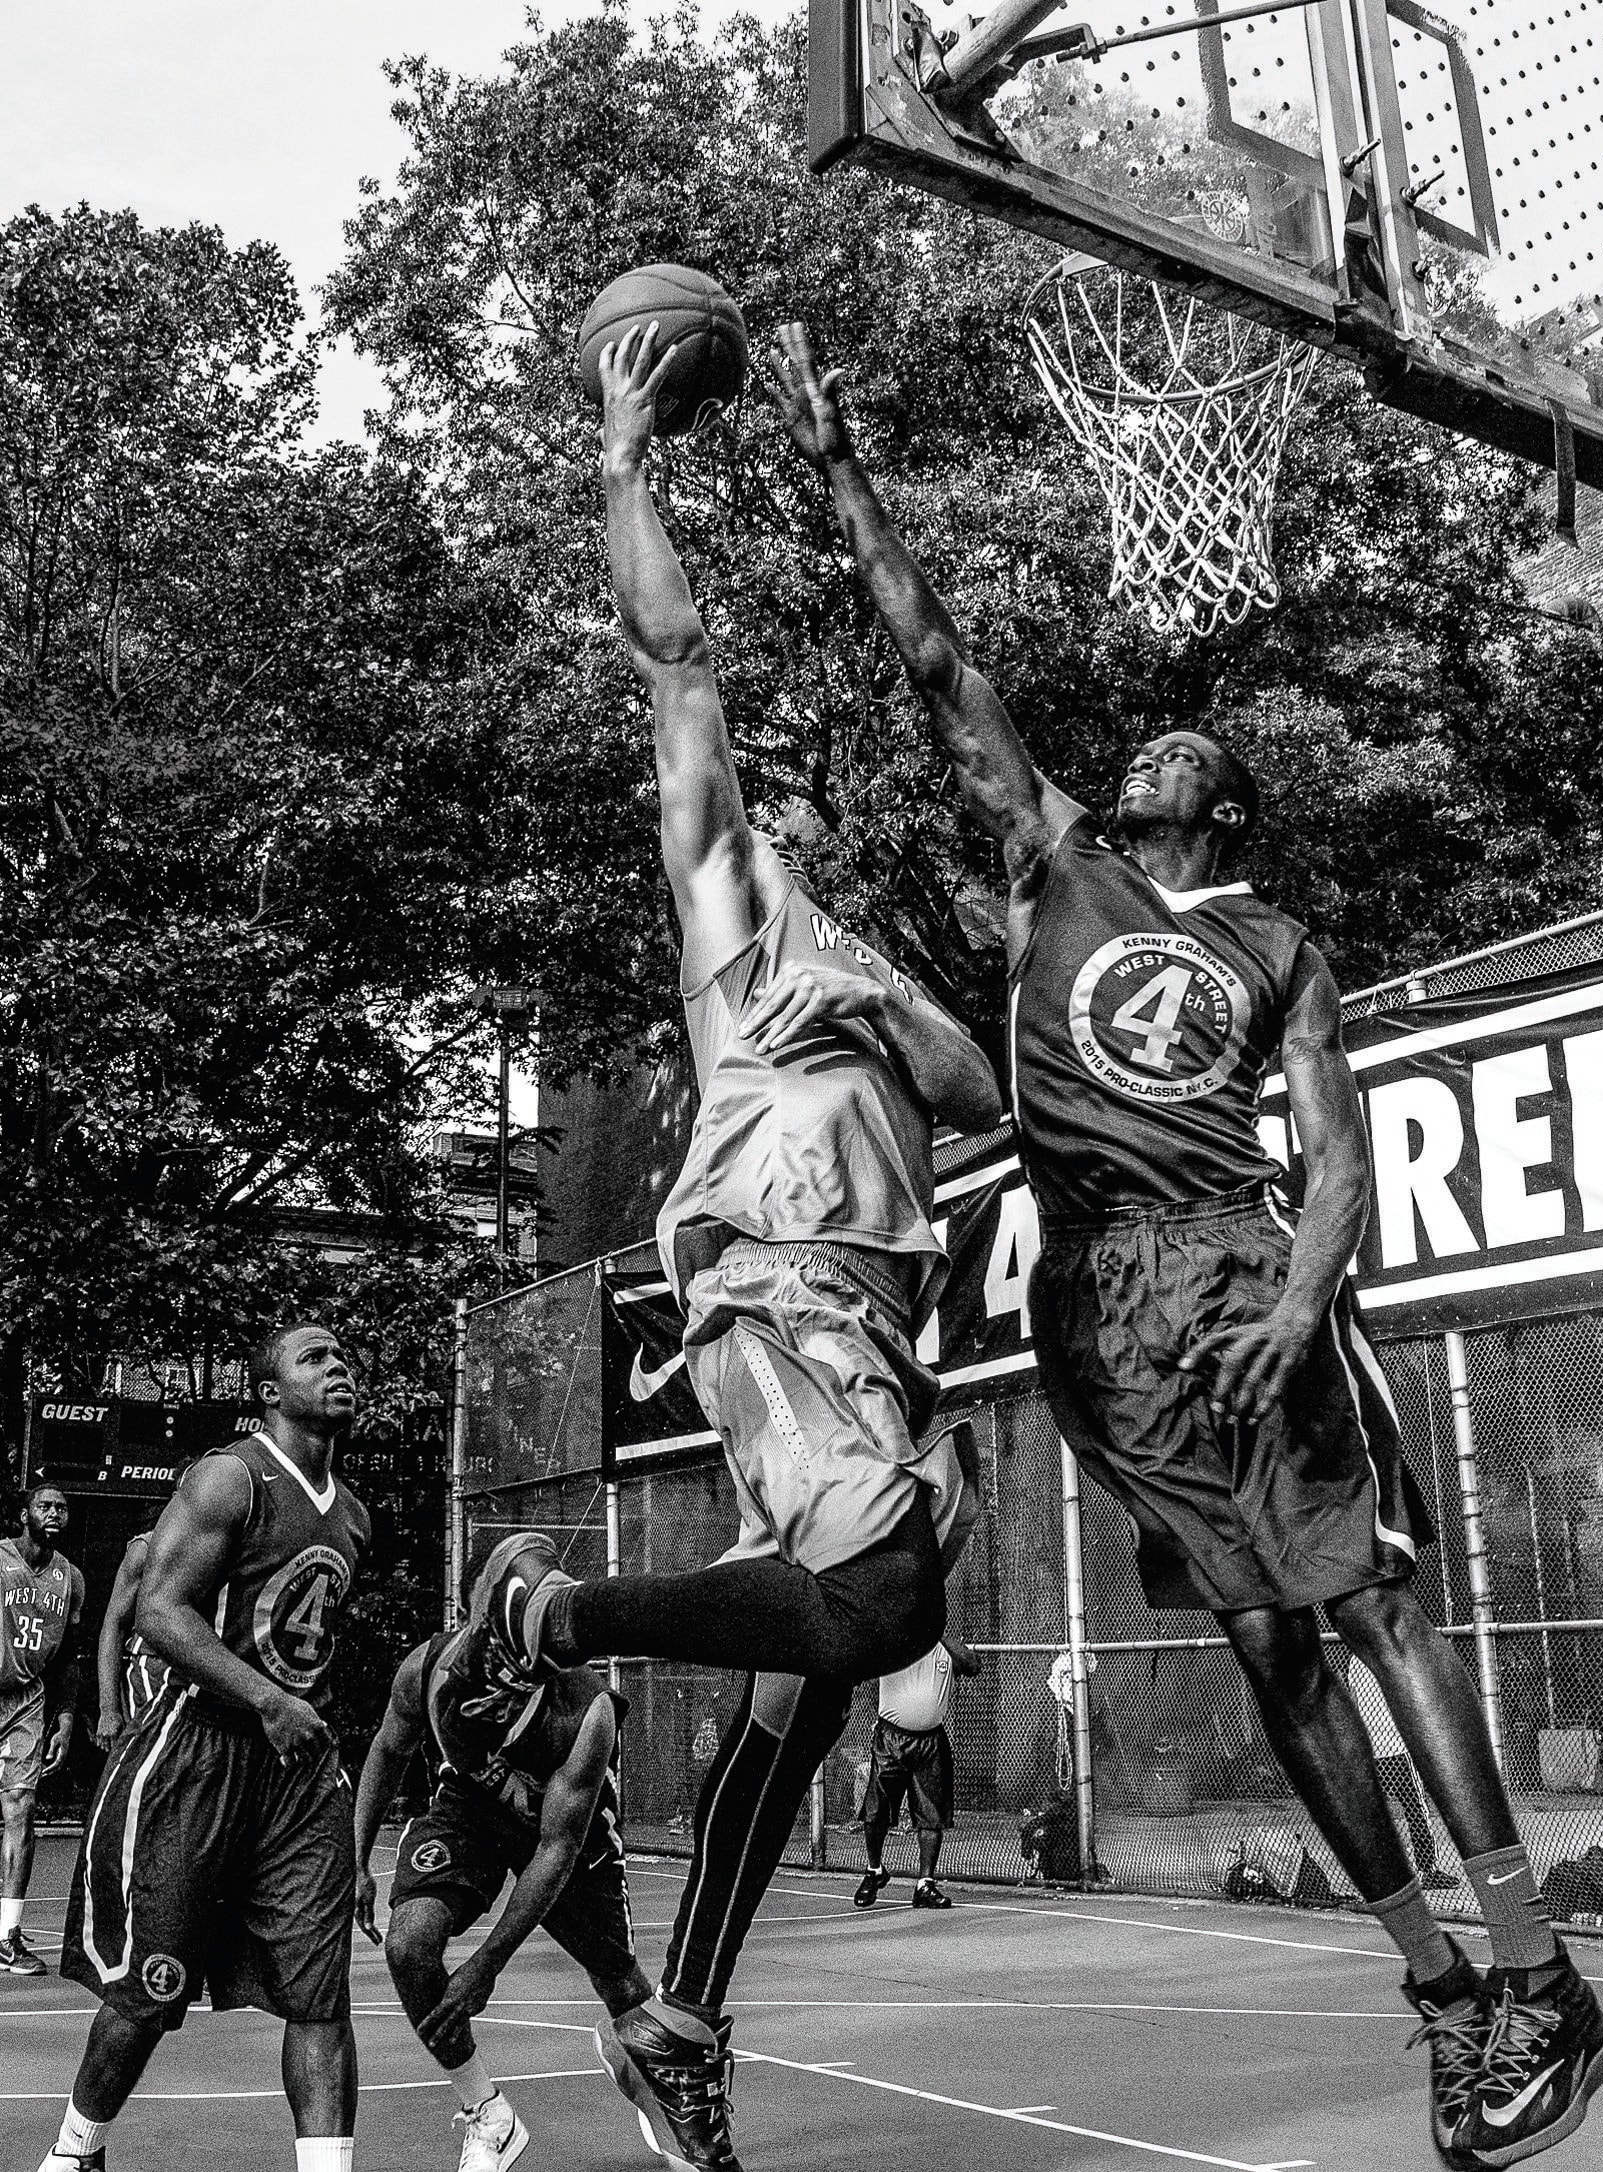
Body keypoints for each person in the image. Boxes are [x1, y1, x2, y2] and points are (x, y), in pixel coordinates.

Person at [766, 321, 1603, 2170]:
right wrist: (839, 467)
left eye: (1186, 747)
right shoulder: (1045, 862)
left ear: (1220, 808)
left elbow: (1335, 1153)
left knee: (1369, 1605)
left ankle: (1542, 1967)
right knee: (1262, 1639)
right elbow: (935, 660)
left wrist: (1307, 1298)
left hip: (1235, 1265)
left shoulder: (1280, 944)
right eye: (1147, 741)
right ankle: (1443, 1998)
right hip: (1095, 1304)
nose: (1151, 737)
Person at [466, 323, 1002, 2172]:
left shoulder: (873, 975)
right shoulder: (735, 937)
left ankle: (681, 2024)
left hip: (871, 1321)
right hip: (764, 1281)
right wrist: (627, 455)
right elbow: (675, 661)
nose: (762, 806)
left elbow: (985, 1093)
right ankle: (563, 1617)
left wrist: (902, 1016)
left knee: (816, 1666)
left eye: (788, 804)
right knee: (884, 1601)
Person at [49, 1325, 368, 2172]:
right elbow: (159, 1610)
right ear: (269, 1390)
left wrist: (300, 1717)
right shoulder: (232, 1478)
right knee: (147, 1989)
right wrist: (264, 1697)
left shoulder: (356, 1515)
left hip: (298, 1773)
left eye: (343, 1357)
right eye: (315, 1358)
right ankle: (77, 2151)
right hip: (202, 1751)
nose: (338, 1367)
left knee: (318, 1994)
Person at [352, 1620, 648, 2172]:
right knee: (409, 1945)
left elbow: (555, 1849)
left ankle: (680, 2116)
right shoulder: (426, 1669)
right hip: (469, 1807)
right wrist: (357, 1857)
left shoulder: (585, 1712)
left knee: (621, 1983)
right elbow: (389, 1748)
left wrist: (488, 1963)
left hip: (561, 1826)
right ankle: (489, 2114)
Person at [2, 1478, 84, 1975]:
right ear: (24, 1514)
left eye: (62, 1507)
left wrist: (68, 1715)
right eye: (45, 1505)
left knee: (21, 1809)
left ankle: (8, 1934)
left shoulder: (70, 1578)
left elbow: (71, 1658)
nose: (54, 1512)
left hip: (26, 1701)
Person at [853, 1629, 981, 1910]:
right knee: (876, 1812)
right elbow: (863, 1660)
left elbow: (972, 1665)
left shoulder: (943, 1648)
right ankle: (874, 1871)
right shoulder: (894, 1641)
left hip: (931, 1741)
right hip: (891, 1739)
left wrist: (935, 1634)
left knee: (931, 1816)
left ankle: (925, 1884)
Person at [1344, 1651, 1452, 1891]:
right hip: (1397, 1747)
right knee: (1417, 1810)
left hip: (1372, 1750)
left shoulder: (1356, 1658)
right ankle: (1428, 1870)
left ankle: (1373, 1873)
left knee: (1372, 1814)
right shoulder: (1388, 1654)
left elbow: (1353, 1699)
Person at [93, 1515, 169, 1758]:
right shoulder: (147, 1548)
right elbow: (114, 1625)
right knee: (145, 1767)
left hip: (202, 1678)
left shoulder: (228, 1546)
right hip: (153, 1674)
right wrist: (108, 1709)